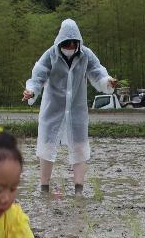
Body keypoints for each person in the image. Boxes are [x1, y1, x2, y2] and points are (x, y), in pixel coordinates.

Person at [23, 19, 116, 196]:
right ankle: (44, 187)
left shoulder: (86, 55)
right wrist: (31, 91)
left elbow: (98, 72)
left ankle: (79, 189)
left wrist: (107, 81)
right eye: (67, 43)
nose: (70, 46)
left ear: (78, 43)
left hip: (76, 110)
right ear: (60, 42)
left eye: (74, 43)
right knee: (47, 145)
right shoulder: (50, 55)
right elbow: (37, 77)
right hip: (52, 109)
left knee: (80, 146)